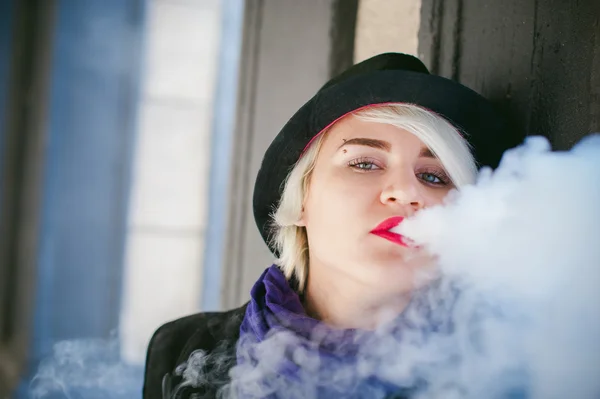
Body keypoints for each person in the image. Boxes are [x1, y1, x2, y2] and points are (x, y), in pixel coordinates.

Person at [142, 53, 521, 399]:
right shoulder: (181, 349)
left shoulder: (509, 371)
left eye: (435, 176)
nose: (406, 192)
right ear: (301, 200)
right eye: (365, 163)